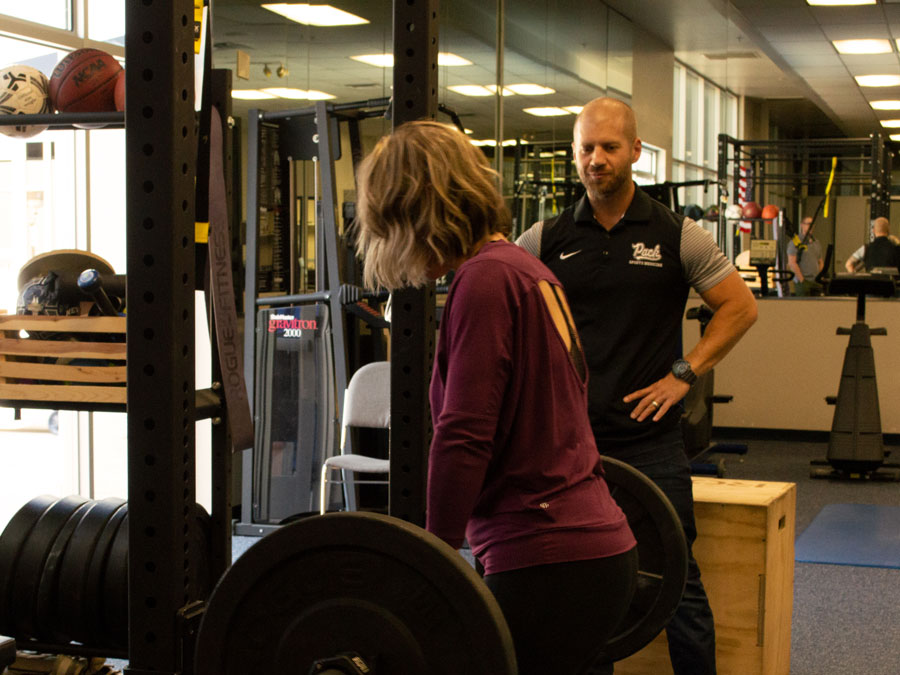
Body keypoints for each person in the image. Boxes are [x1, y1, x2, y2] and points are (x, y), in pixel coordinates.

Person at [353, 119, 638, 675]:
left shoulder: (484, 281)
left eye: (393, 223)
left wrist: (432, 561)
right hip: (591, 551)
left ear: (421, 212)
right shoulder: (529, 271)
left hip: (547, 559)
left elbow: (464, 434)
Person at [516, 97, 758, 675]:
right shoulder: (545, 238)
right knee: (583, 585)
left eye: (608, 147)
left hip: (651, 444)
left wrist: (684, 374)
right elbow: (503, 309)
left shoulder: (678, 234)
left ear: (636, 152)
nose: (595, 159)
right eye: (585, 149)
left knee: (676, 581)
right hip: (571, 446)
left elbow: (739, 308)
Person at [786, 216, 824, 295]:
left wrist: (819, 277)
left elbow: (820, 261)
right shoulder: (796, 242)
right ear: (802, 225)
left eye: (812, 224)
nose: (810, 226)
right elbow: (792, 263)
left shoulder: (816, 242)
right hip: (803, 281)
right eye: (808, 224)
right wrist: (802, 280)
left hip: (815, 281)